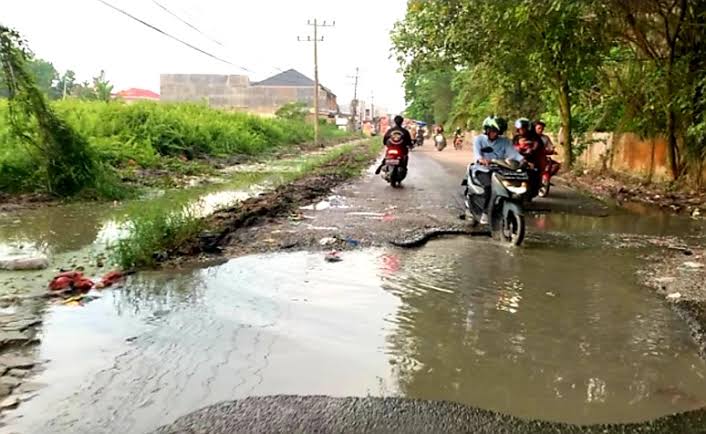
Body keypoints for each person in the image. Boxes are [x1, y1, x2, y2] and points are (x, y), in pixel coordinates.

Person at [470, 116, 524, 224]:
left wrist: (524, 160)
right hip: (483, 169)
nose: (495, 134)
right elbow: (477, 154)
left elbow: (514, 154)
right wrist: (481, 159)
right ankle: (485, 212)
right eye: (493, 131)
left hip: (500, 169)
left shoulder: (505, 141)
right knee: (489, 187)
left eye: (497, 131)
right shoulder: (479, 139)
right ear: (487, 129)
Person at [513, 118, 545, 191]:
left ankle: (535, 187)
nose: (522, 130)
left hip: (532, 159)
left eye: (523, 129)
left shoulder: (535, 137)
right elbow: (511, 147)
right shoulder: (516, 137)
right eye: (520, 129)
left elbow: (536, 148)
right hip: (518, 159)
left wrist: (529, 150)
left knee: (535, 173)